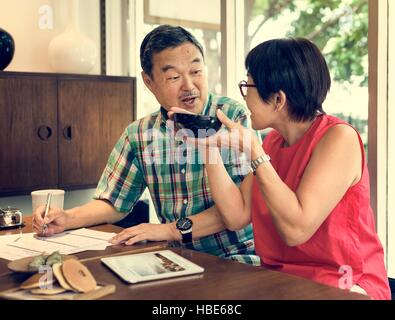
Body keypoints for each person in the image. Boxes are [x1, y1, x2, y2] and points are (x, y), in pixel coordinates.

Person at [32, 25, 260, 265]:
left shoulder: (233, 118)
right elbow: (113, 202)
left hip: (237, 259)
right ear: (149, 81)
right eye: (173, 77)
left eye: (196, 71)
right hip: (176, 260)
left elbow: (241, 208)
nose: (189, 85)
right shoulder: (140, 134)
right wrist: (66, 218)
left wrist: (171, 230)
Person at [200, 38, 391, 299]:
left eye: (248, 86)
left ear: (278, 99)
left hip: (344, 285)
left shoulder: (338, 139)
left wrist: (254, 152)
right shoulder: (274, 142)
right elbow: (236, 214)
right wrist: (208, 146)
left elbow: (296, 230)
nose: (245, 96)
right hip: (283, 282)